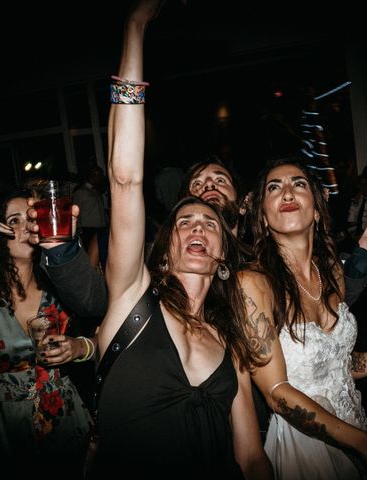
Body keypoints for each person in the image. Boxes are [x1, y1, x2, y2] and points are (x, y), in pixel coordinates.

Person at [88, 1, 273, 477]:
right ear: (165, 249)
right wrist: (133, 26)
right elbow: (126, 178)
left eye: (210, 224)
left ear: (223, 257)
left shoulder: (230, 342)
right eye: (185, 222)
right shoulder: (132, 298)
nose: (197, 228)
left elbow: (251, 456)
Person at [239, 156, 367, 479]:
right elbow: (277, 393)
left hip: (354, 420)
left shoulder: (332, 272)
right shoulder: (253, 283)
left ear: (317, 210)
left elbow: (332, 365)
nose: (287, 193)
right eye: (274, 188)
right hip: (306, 445)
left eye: (298, 184)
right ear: (262, 215)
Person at [0, 187, 93, 478]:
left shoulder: (61, 285)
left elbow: (102, 337)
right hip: (3, 431)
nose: (27, 227)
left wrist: (78, 347)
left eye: (31, 218)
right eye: (14, 221)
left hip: (64, 420)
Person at [73, 164, 108, 251]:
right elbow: (75, 212)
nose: (101, 178)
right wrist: (79, 230)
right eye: (100, 175)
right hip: (88, 230)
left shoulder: (96, 191)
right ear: (93, 175)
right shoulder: (80, 192)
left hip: (101, 229)